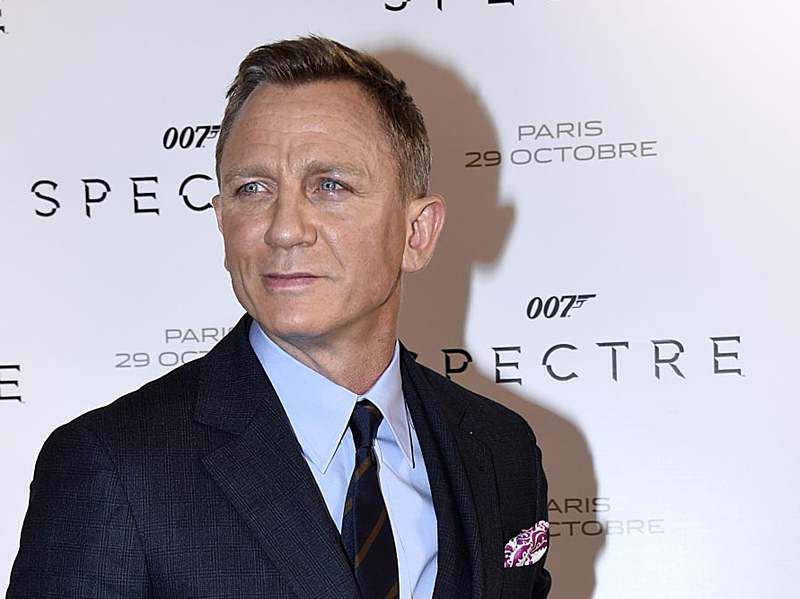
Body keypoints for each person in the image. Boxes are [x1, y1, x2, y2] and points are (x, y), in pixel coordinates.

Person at [7, 36, 551, 598]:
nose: (285, 228)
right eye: (253, 189)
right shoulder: (115, 466)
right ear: (222, 221)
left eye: (330, 186)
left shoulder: (501, 450)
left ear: (417, 233)